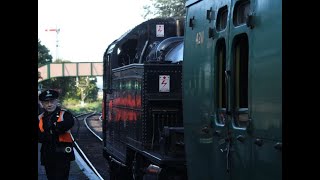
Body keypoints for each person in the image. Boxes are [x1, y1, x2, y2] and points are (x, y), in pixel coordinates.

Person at [38, 89, 75, 180]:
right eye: (46, 102)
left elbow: (65, 126)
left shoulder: (65, 114)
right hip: (47, 154)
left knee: (62, 177)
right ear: (42, 104)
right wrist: (54, 129)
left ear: (57, 101)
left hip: (63, 154)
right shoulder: (40, 118)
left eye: (52, 101)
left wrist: (49, 132)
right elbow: (39, 137)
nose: (49, 104)